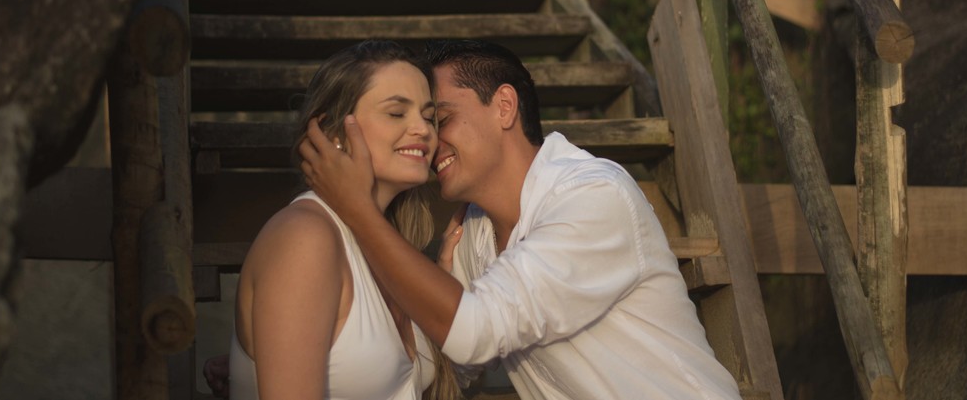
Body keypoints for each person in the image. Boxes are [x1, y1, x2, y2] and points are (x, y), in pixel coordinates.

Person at [299, 39, 743, 400]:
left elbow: (475, 332)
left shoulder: (592, 195)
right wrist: (282, 349)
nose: (430, 140)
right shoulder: (474, 231)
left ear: (504, 107)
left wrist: (357, 209)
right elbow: (445, 362)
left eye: (442, 118)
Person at [224, 40, 461, 400]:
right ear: (332, 133)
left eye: (429, 117)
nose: (423, 130)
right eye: (397, 113)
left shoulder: (389, 241)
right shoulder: (305, 237)